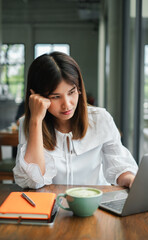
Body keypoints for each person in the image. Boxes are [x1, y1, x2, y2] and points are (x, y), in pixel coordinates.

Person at [13, 52, 138, 189]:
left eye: (71, 92)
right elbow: (33, 182)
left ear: (79, 88)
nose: (67, 104)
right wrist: (36, 121)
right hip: (53, 205)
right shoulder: (30, 123)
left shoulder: (100, 119)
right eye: (55, 96)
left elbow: (120, 166)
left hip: (96, 204)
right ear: (36, 96)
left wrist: (130, 179)